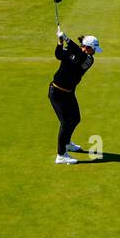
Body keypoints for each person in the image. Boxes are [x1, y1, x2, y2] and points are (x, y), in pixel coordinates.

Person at [49, 29, 101, 164]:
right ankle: (61, 155)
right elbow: (59, 55)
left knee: (76, 119)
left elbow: (80, 57)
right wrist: (60, 42)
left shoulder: (89, 60)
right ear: (87, 47)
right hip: (57, 92)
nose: (95, 52)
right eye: (93, 49)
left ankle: (67, 143)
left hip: (69, 93)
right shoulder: (75, 52)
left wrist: (66, 38)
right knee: (66, 123)